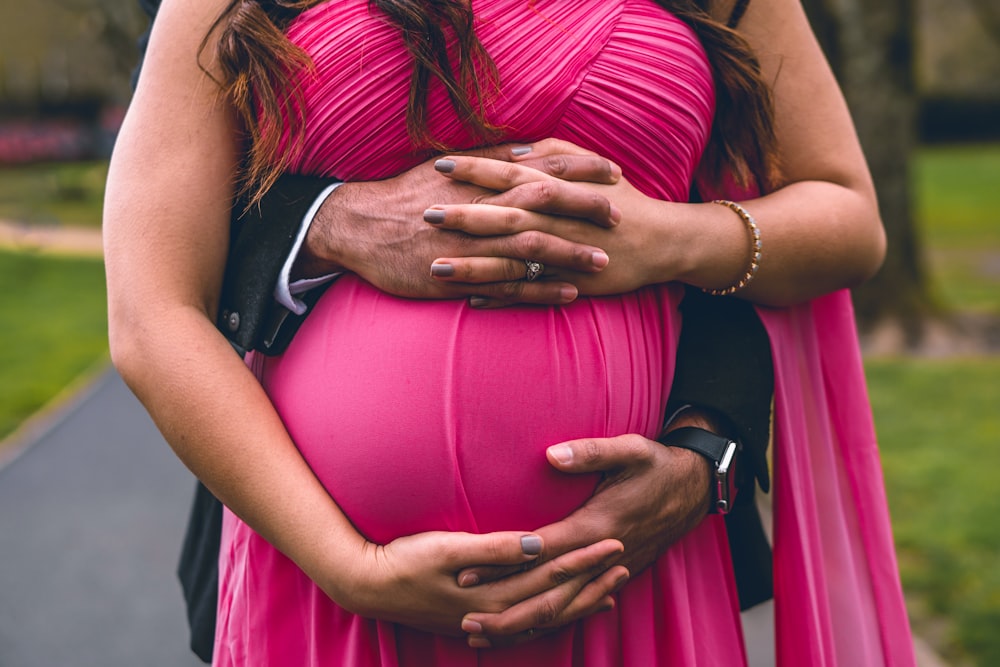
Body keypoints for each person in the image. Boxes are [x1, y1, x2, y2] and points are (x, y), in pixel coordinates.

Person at [104, 1, 915, 665]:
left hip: (627, 572)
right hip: (326, 584)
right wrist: (351, 568)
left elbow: (847, 217)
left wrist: (671, 240)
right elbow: (151, 307)